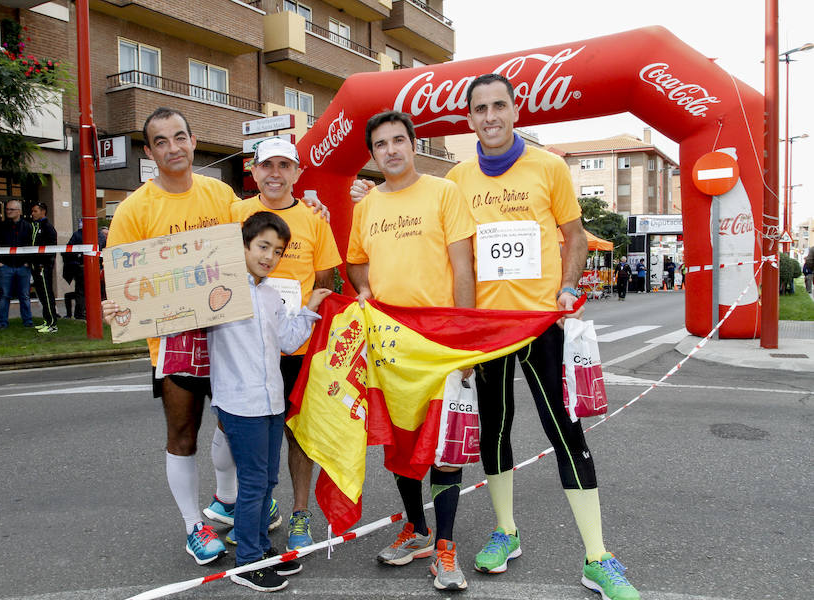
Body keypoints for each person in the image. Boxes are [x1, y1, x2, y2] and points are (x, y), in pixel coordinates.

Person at [352, 73, 639, 600]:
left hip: (537, 322)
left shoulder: (549, 166)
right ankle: (506, 532)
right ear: (469, 119)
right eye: (480, 109)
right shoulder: (456, 178)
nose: (490, 117)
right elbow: (418, 212)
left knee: (566, 435)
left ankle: (598, 557)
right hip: (484, 330)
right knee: (494, 433)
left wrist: (569, 286)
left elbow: (574, 237)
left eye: (499, 106)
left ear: (514, 110)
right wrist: (370, 195)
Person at [103, 107, 327, 568]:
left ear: (193, 139)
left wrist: (314, 207)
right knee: (182, 433)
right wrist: (117, 306)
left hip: (230, 334)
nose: (173, 147)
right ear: (149, 151)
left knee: (233, 427)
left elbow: (257, 226)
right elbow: (123, 282)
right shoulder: (133, 210)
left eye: (179, 137)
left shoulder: (222, 195)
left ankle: (228, 501)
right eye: (161, 141)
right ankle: (193, 525)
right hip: (175, 338)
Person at [347, 110, 476, 591]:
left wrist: (463, 341)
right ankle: (416, 530)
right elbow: (357, 263)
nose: (392, 150)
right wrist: (364, 292)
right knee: (401, 447)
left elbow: (463, 268)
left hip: (439, 342)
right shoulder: (366, 206)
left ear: (414, 142)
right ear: (373, 153)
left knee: (444, 446)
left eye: (399, 140)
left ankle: (445, 546)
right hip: (389, 346)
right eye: (381, 144)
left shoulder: (444, 192)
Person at [205, 138, 342, 552]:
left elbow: (325, 279)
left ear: (298, 172)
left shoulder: (315, 218)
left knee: (298, 435)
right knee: (238, 432)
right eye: (268, 165)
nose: (276, 173)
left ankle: (298, 515)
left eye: (285, 165)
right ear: (254, 170)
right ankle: (247, 507)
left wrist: (308, 322)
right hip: (242, 354)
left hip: (294, 345)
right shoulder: (235, 214)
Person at [208, 211, 330, 592]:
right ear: (243, 245)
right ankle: (247, 561)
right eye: (262, 247)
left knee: (268, 480)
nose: (269, 256)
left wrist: (310, 307)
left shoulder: (271, 293)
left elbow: (287, 342)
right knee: (254, 482)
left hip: (272, 403)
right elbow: (175, 312)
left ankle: (261, 549)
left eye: (277, 251)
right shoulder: (220, 291)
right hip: (240, 404)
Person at [0, 199, 34, 328]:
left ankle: (27, 321)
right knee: (4, 295)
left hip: (23, 266)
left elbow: (31, 245)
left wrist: (28, 262)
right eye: (7, 209)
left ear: (19, 211)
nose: (8, 212)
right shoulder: (0, 226)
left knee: (25, 295)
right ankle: (3, 322)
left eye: (12, 209)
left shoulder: (27, 226)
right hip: (5, 265)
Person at [63, 222, 107, 320]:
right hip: (96, 267)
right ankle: (94, 314)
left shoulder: (78, 235)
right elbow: (103, 248)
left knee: (81, 291)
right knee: (95, 292)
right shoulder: (99, 235)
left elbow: (68, 250)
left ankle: (80, 314)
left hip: (82, 267)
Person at [29, 202, 59, 333]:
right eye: (32, 211)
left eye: (35, 211)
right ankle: (47, 320)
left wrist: (44, 263)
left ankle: (52, 323)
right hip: (35, 265)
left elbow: (51, 249)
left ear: (43, 212)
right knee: (41, 294)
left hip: (43, 266)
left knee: (47, 294)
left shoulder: (48, 227)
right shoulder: (35, 226)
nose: (33, 214)